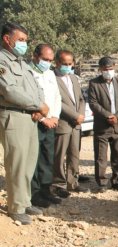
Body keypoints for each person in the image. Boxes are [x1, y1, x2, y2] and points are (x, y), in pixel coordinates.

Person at [0, 22, 49, 224]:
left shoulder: (21, 63)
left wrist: (39, 107)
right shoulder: (2, 61)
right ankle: (16, 206)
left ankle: (25, 200)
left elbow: (36, 87)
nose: (24, 44)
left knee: (29, 162)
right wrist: (37, 104)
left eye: (25, 41)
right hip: (13, 116)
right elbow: (9, 90)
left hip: (30, 117)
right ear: (6, 39)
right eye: (20, 40)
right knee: (17, 164)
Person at [88, 56, 118, 193]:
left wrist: (117, 117)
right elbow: (93, 103)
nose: (108, 71)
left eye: (110, 69)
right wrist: (108, 116)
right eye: (105, 69)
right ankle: (102, 183)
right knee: (101, 156)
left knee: (117, 155)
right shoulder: (94, 83)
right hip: (102, 125)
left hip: (117, 125)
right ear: (100, 69)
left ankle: (117, 181)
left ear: (115, 67)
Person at [29, 44, 63, 208]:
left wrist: (55, 116)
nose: (48, 63)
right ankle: (34, 194)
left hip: (51, 122)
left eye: (50, 60)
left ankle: (45, 190)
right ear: (35, 56)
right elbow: (30, 99)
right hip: (36, 122)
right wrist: (44, 119)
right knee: (34, 159)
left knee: (47, 158)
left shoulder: (50, 73)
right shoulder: (28, 72)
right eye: (45, 59)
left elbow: (56, 97)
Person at [53, 50, 87, 198]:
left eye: (70, 64)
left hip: (76, 124)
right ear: (57, 63)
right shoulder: (52, 78)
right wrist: (74, 115)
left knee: (74, 154)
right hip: (63, 122)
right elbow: (56, 101)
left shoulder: (73, 78)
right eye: (64, 64)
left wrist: (80, 114)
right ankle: (58, 184)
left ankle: (73, 182)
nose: (67, 66)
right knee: (59, 155)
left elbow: (80, 98)